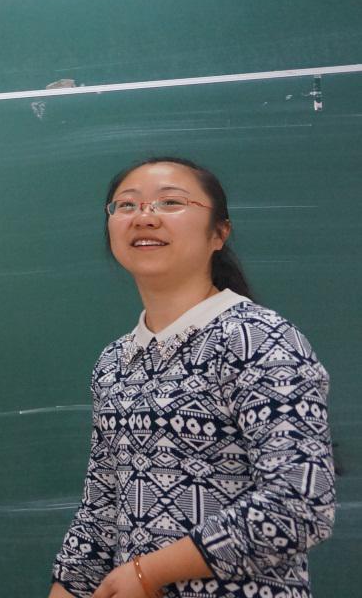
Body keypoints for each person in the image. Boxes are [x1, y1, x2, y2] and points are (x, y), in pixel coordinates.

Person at [49, 157, 335, 598]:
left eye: (170, 202)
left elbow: (299, 505)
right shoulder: (114, 361)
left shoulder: (257, 337)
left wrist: (148, 572)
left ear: (219, 233)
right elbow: (100, 512)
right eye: (126, 205)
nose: (145, 216)